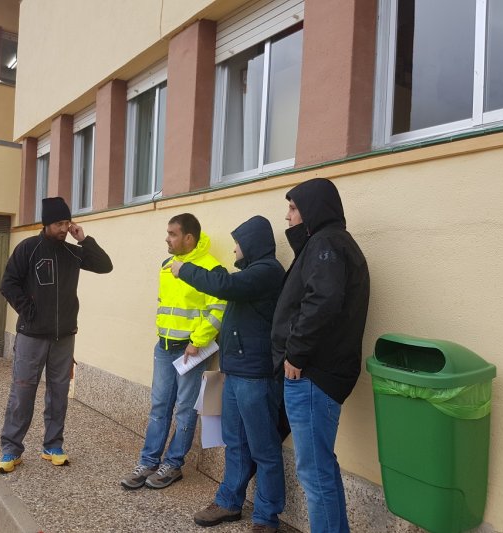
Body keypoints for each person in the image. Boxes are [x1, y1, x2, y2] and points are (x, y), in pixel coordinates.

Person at [169, 215, 286, 533]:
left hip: (255, 377)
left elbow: (226, 287)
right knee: (235, 442)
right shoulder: (252, 275)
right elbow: (228, 284)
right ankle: (229, 502)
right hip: (235, 373)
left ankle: (266, 517)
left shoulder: (267, 272)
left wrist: (186, 269)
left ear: (250, 243)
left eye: (237, 243)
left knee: (264, 449)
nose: (234, 249)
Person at [271, 178, 370, 533]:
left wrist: (295, 355)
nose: (287, 216)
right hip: (316, 373)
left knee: (314, 474)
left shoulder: (326, 243)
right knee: (320, 470)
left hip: (312, 375)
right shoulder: (324, 244)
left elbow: (322, 301)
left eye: (294, 208)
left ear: (313, 208)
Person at [0, 197, 113, 473]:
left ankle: (53, 445)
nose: (64, 228)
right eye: (59, 223)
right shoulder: (29, 248)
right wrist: (29, 311)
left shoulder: (72, 252)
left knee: (59, 393)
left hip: (64, 336)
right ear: (47, 223)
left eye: (67, 223)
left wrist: (84, 240)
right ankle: (11, 449)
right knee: (22, 392)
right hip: (31, 335)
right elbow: (8, 284)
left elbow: (105, 265)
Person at [120, 213, 227, 490]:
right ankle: (148, 461)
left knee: (184, 411)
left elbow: (218, 310)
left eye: (172, 234)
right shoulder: (167, 264)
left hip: (191, 350)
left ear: (188, 238)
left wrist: (198, 340)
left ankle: (173, 464)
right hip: (164, 346)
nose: (167, 239)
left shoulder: (212, 269)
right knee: (159, 407)